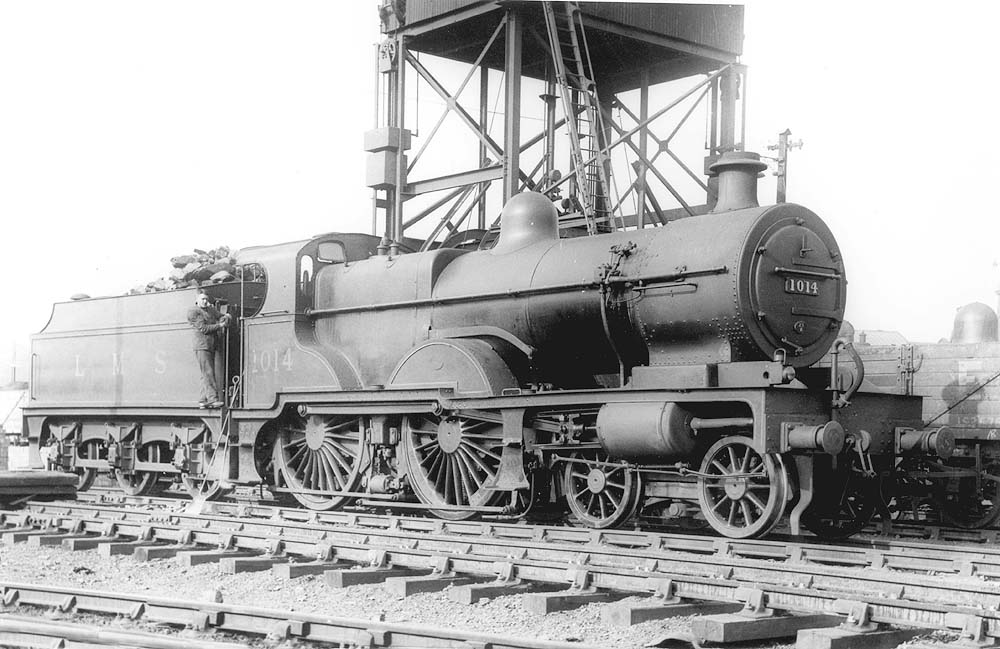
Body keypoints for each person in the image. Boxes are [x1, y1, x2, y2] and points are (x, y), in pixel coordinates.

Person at [187, 292, 231, 408]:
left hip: (210, 345)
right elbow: (204, 328)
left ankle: (202, 400)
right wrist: (220, 326)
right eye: (202, 299)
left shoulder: (210, 310)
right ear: (197, 300)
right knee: (208, 372)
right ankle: (212, 399)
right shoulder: (194, 312)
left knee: (205, 373)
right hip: (202, 345)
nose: (205, 301)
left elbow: (220, 315)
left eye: (206, 299)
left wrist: (225, 317)